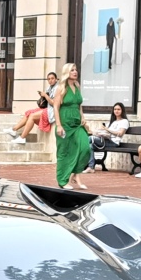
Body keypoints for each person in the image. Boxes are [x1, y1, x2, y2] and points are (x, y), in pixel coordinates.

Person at [53, 62, 91, 190]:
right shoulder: (61, 88)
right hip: (64, 124)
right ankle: (62, 180)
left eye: (75, 70)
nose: (75, 72)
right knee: (64, 152)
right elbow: (56, 106)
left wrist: (83, 117)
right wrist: (58, 125)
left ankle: (75, 174)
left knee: (85, 148)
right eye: (72, 70)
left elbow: (79, 105)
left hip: (77, 124)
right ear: (66, 73)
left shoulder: (77, 86)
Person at [5, 72, 58, 144]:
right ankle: (14, 129)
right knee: (29, 112)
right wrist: (42, 99)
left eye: (52, 78)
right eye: (49, 79)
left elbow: (54, 103)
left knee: (32, 116)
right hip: (47, 108)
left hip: (53, 111)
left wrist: (45, 95)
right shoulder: (49, 88)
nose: (50, 80)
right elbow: (47, 102)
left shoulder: (57, 88)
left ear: (56, 79)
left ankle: (22, 138)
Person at [87, 102, 130, 171]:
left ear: (122, 111)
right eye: (115, 109)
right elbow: (105, 131)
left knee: (89, 139)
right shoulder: (113, 121)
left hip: (113, 142)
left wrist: (108, 129)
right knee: (89, 146)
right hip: (105, 140)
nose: (116, 111)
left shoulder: (124, 121)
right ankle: (91, 167)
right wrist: (98, 131)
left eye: (118, 109)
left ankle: (76, 160)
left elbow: (120, 133)